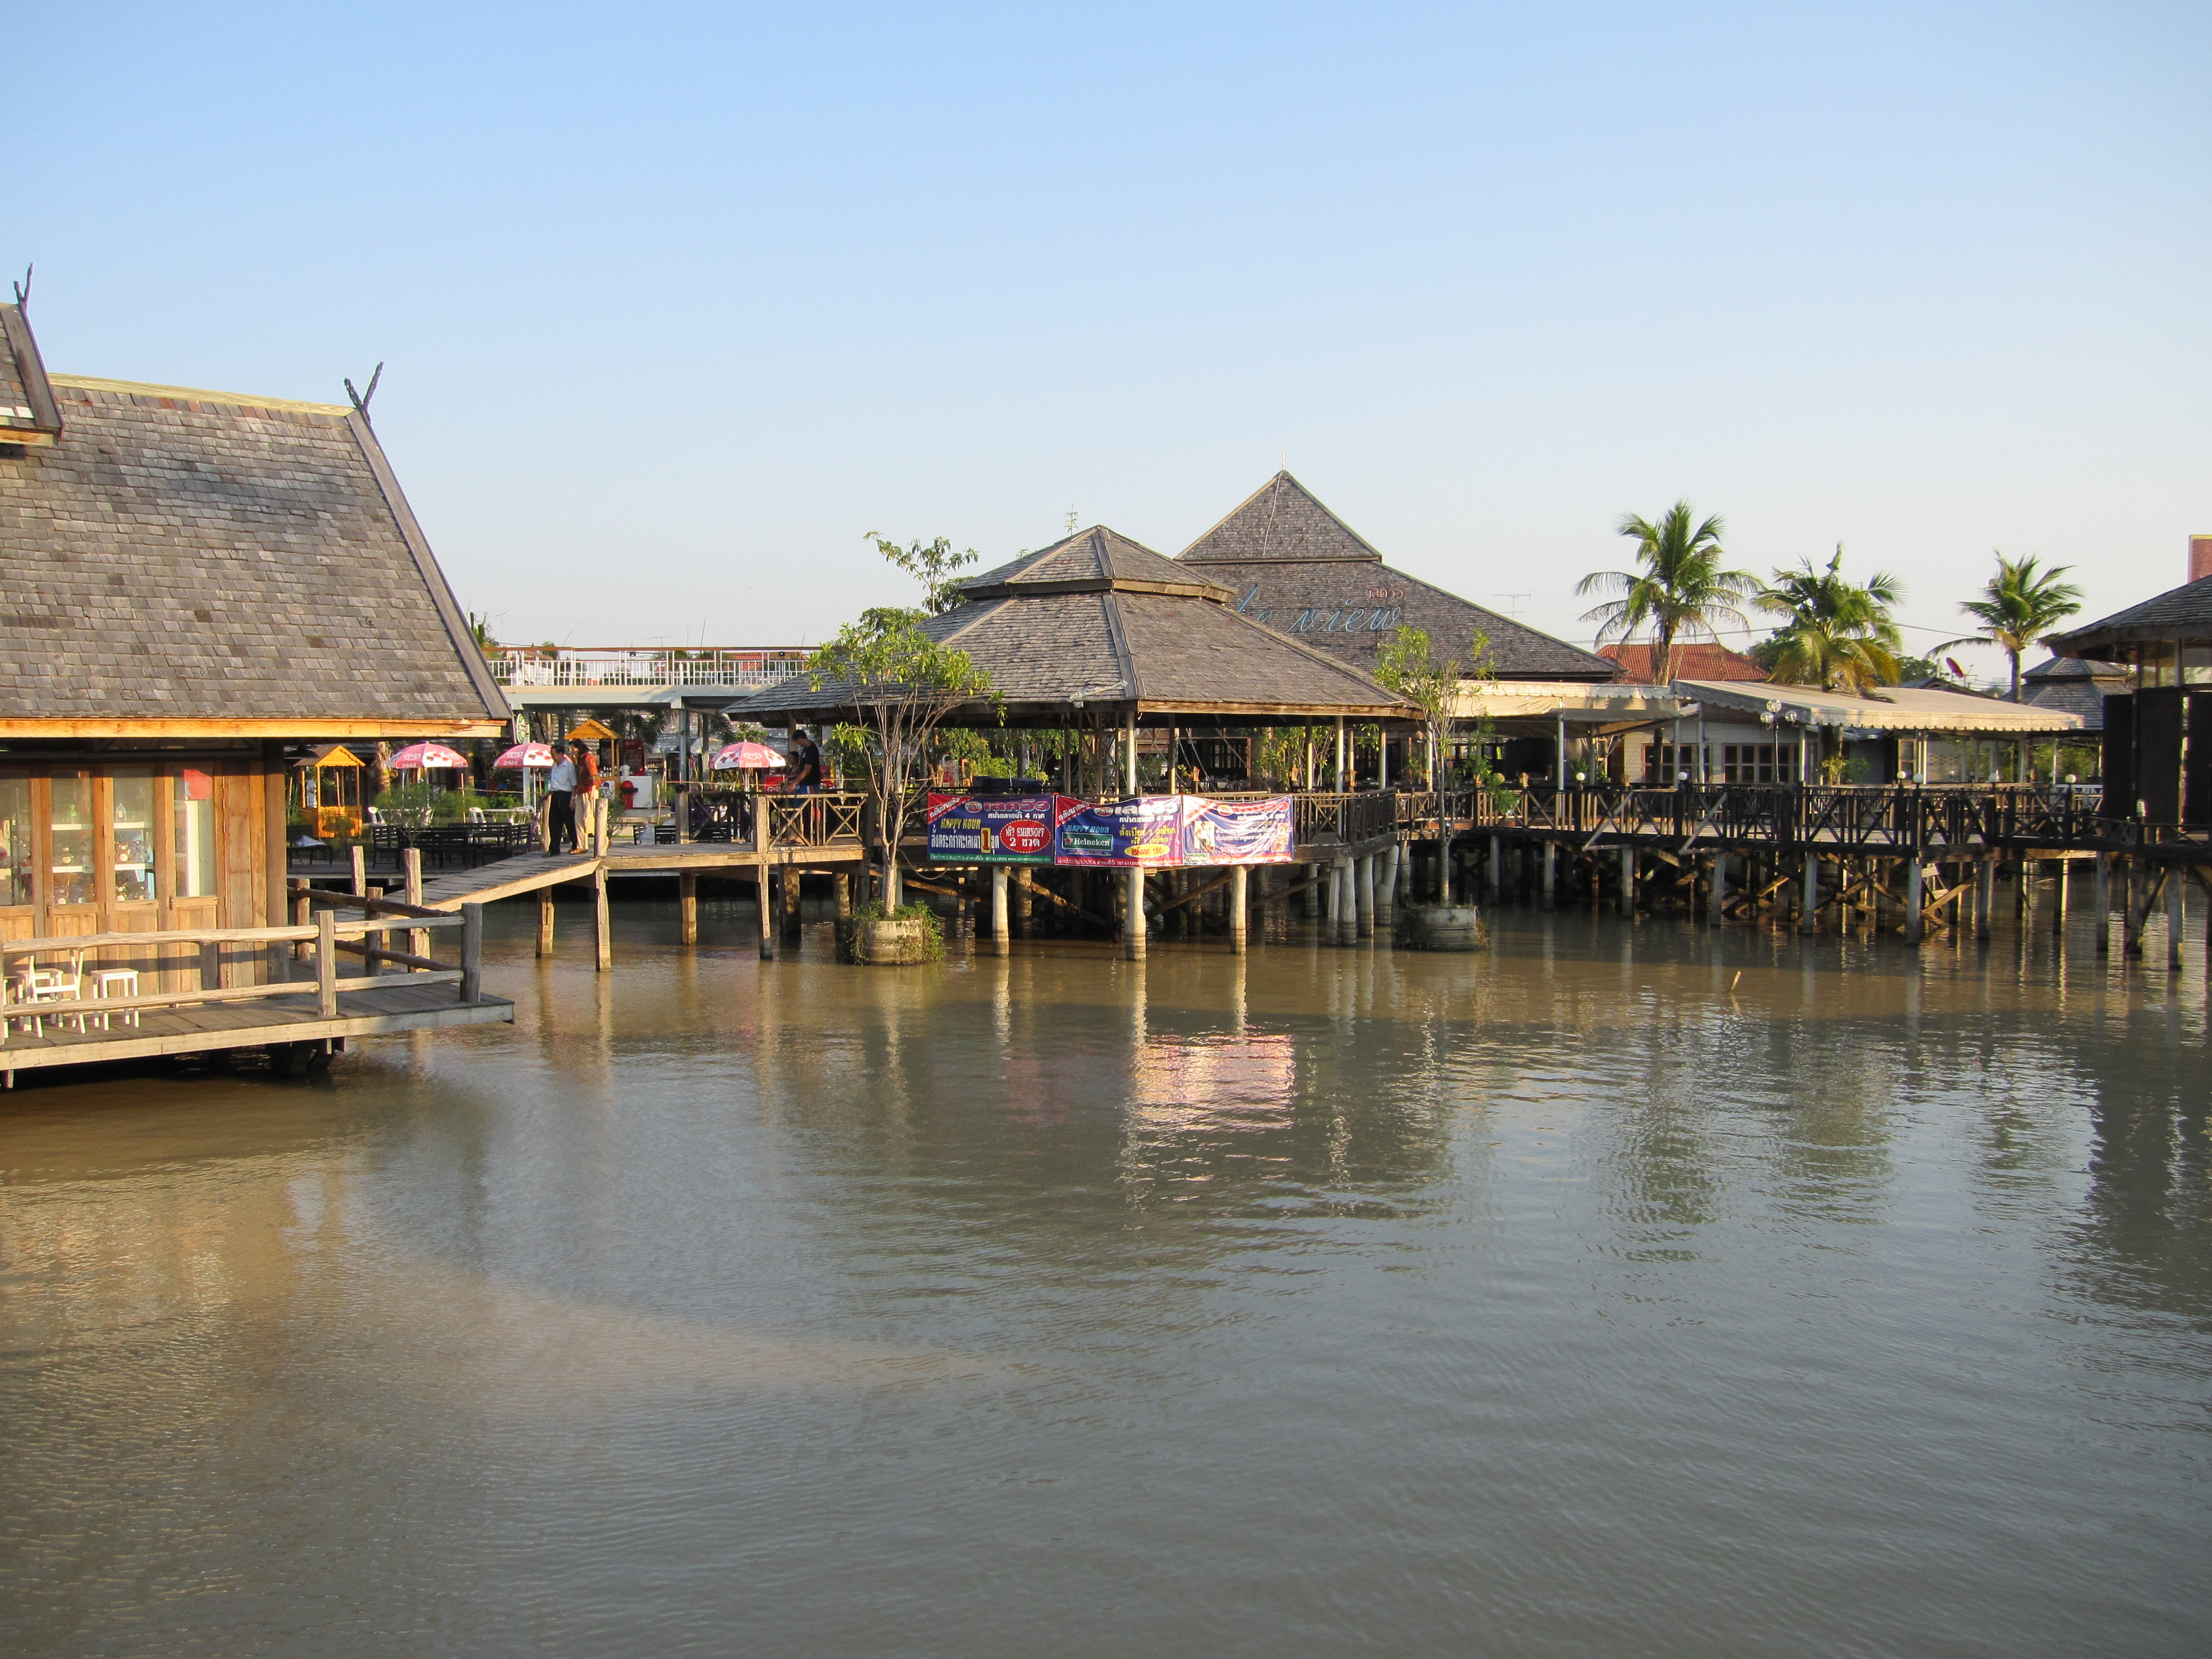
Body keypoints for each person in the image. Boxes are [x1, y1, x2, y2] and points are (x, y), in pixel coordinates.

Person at [545, 745, 578, 854]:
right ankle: (554, 848)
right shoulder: (555, 767)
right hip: (555, 794)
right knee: (554, 822)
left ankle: (575, 844)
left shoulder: (569, 767)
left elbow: (574, 784)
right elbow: (555, 783)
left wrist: (573, 799)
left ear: (560, 754)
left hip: (566, 795)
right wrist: (548, 793)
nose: (552, 757)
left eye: (554, 755)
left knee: (569, 821)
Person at [787, 729, 822, 795]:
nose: (798, 744)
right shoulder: (806, 749)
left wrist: (794, 783)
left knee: (810, 803)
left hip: (810, 783)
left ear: (800, 739)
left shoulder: (812, 750)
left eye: (797, 742)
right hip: (804, 783)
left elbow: (807, 770)